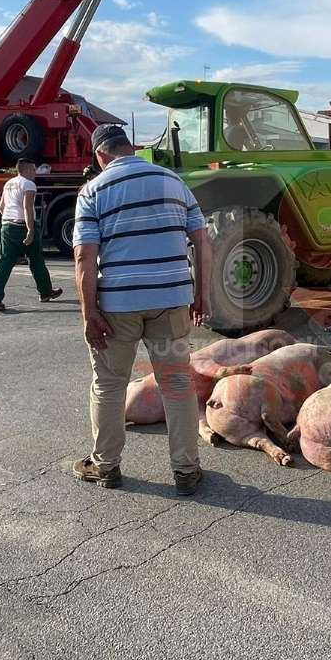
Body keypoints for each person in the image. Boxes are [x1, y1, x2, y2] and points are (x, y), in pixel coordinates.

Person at [72, 124, 211, 496]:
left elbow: (85, 256)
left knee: (109, 385)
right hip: (170, 302)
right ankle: (186, 471)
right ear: (130, 148)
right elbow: (201, 239)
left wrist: (89, 313)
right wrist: (203, 294)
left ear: (100, 155)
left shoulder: (93, 190)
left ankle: (106, 466)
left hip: (117, 306)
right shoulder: (173, 182)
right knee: (177, 384)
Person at [0, 158, 62, 311]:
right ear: (27, 170)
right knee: (35, 260)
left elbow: (2, 206)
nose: (35, 173)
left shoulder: (8, 183)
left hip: (7, 225)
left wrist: (8, 219)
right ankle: (45, 291)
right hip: (22, 225)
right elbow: (27, 208)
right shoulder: (29, 184)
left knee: (4, 262)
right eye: (34, 170)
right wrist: (30, 230)